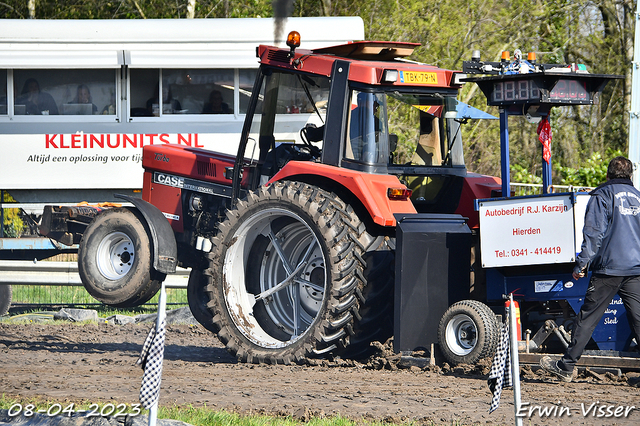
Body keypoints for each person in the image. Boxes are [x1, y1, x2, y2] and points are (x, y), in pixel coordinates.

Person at [540, 156, 640, 382]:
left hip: (609, 269)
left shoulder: (602, 195)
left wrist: (582, 263)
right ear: (631, 176)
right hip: (635, 270)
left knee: (587, 319)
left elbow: (594, 233)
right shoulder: (638, 197)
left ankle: (565, 367)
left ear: (607, 175)